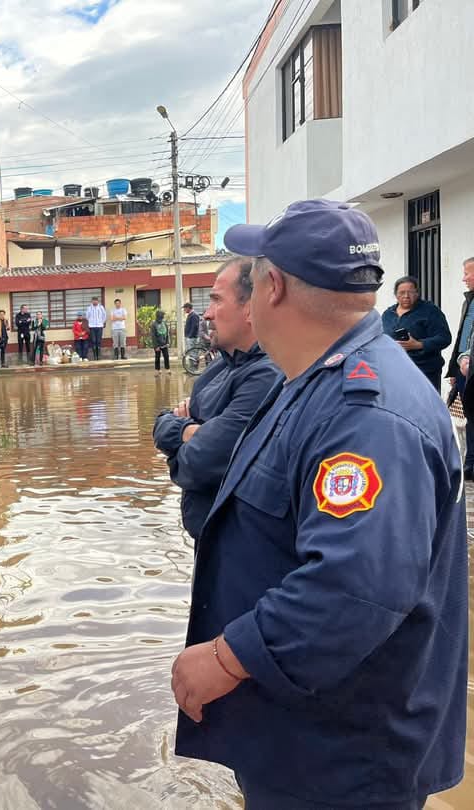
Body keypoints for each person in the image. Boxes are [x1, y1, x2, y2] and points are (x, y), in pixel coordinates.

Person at [171, 200, 467, 808]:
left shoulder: (368, 415)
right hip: (305, 730)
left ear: (272, 287)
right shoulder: (312, 381)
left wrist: (227, 659)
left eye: (250, 281)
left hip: (344, 756)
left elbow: (353, 586)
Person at [153, 257, 281, 542]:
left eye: (216, 301)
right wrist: (186, 430)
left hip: (239, 542)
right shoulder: (220, 366)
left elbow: (201, 464)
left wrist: (182, 441)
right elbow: (161, 422)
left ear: (249, 309)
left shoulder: (266, 375)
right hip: (209, 541)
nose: (207, 314)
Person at [380, 276, 451, 391]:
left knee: (425, 407)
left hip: (424, 371)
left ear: (417, 293)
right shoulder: (388, 314)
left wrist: (419, 344)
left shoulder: (430, 311)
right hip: (395, 372)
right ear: (395, 294)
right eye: (402, 292)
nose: (406, 296)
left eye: (410, 292)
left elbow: (444, 338)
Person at [446, 257, 474, 476]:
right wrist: (455, 368)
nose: (463, 278)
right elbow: (462, 335)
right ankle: (470, 463)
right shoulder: (469, 301)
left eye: (467, 273)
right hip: (464, 369)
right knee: (469, 414)